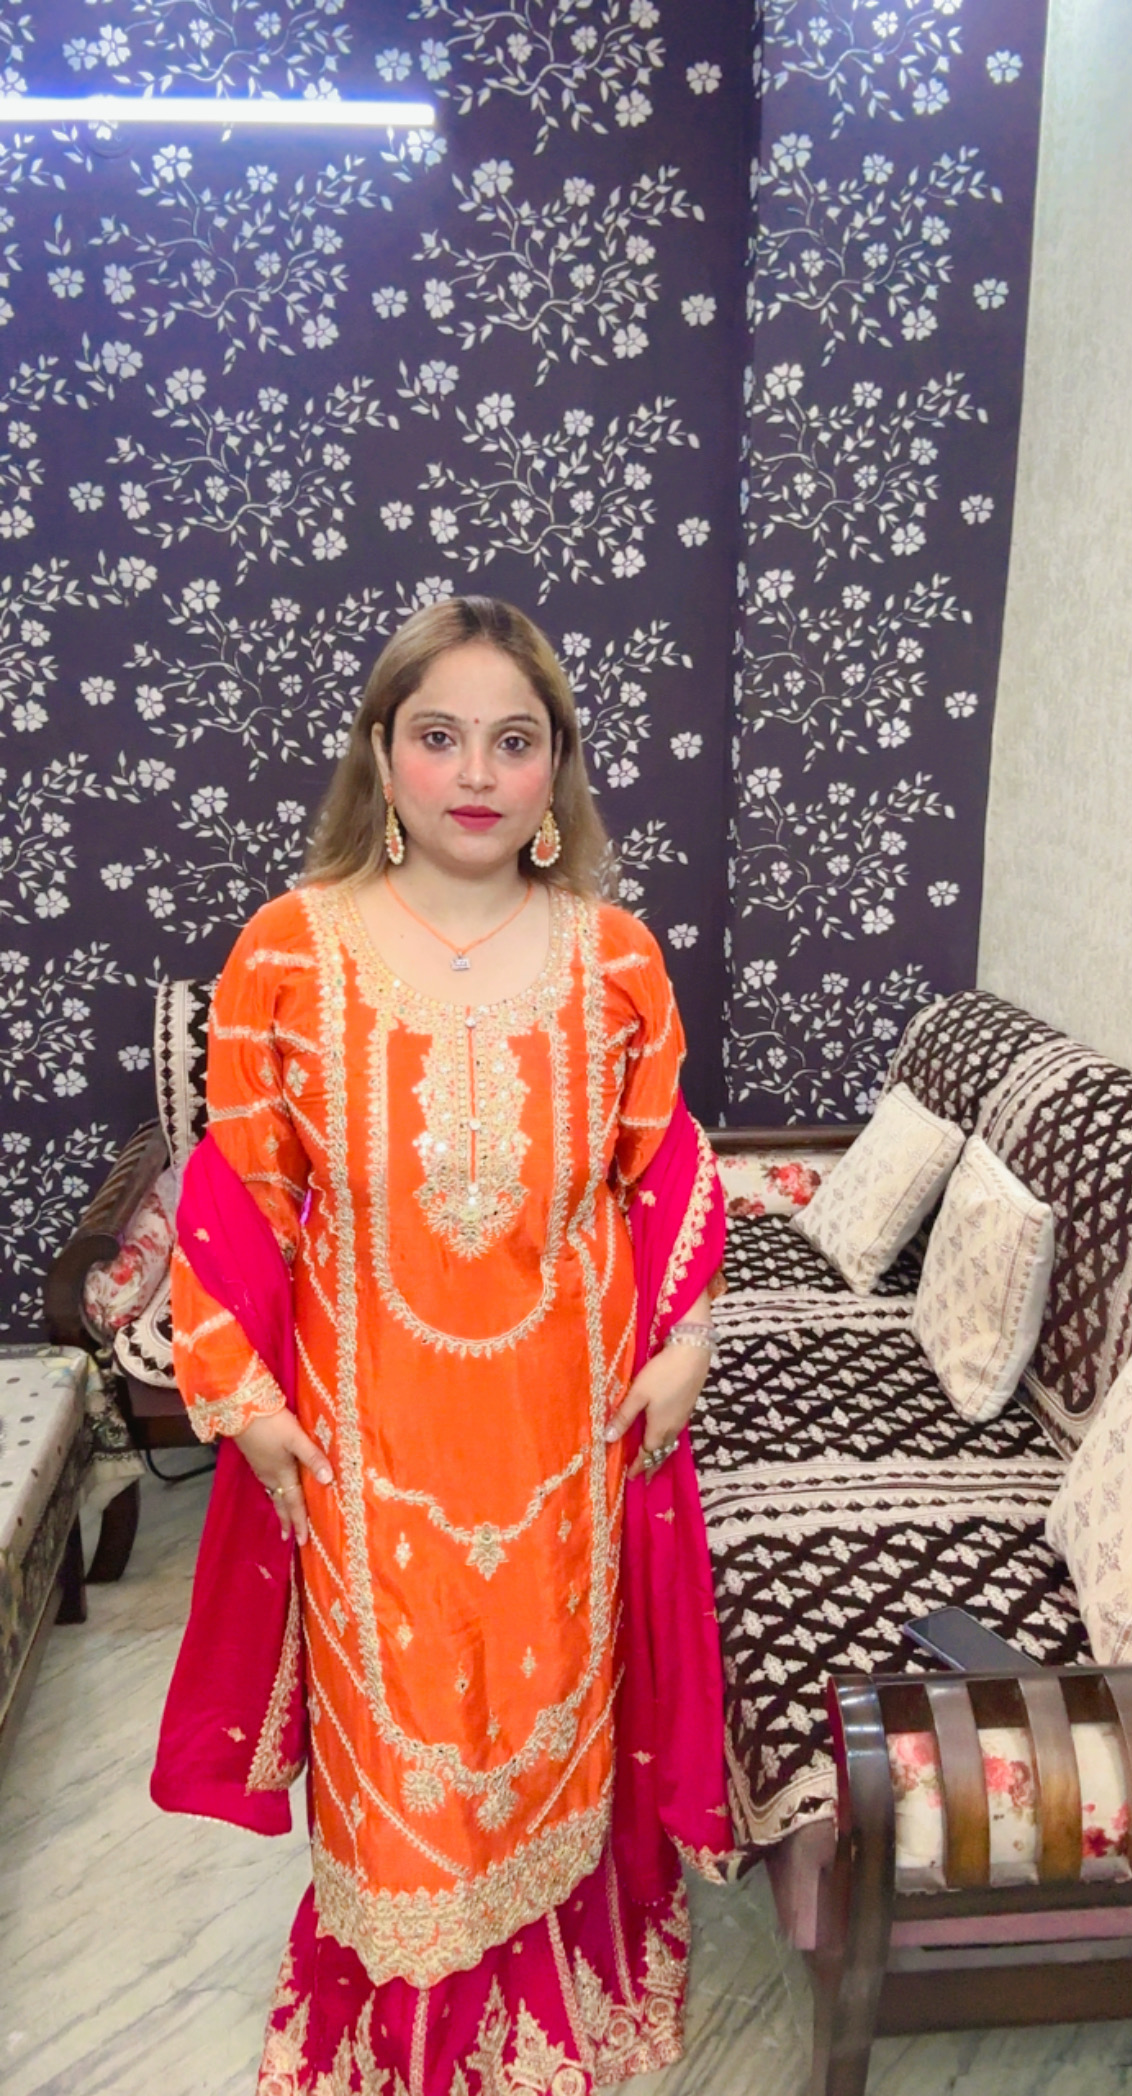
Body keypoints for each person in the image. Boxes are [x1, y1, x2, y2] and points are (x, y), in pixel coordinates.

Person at [160, 594, 729, 2094]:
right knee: (400, 1730)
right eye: (439, 736)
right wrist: (242, 1397)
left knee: (547, 1713)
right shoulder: (290, 950)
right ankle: (406, 2032)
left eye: (514, 741)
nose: (476, 774)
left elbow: (663, 1168)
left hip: (567, 1430)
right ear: (381, 755)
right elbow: (233, 1194)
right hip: (369, 1438)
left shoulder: (616, 958)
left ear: (557, 772)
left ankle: (553, 2004)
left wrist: (687, 1339)